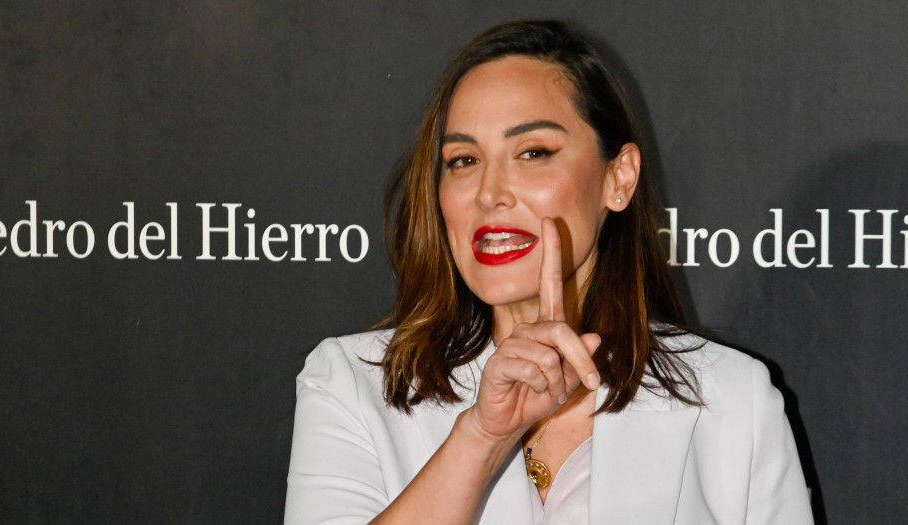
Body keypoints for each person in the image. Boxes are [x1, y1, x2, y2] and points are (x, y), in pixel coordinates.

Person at [284, 19, 814, 525]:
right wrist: (483, 438)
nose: (489, 193)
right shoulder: (352, 384)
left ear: (619, 177)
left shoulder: (733, 400)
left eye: (533, 152)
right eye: (463, 160)